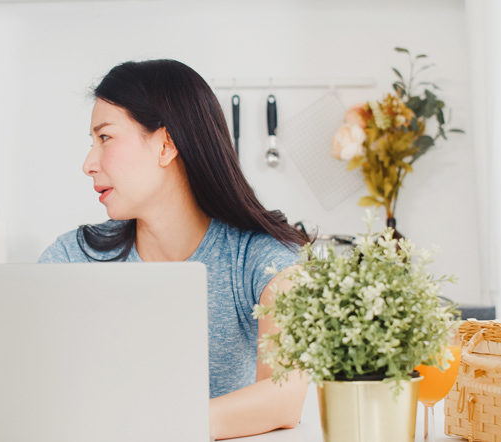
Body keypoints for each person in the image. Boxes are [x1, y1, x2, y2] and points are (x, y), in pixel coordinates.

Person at [39, 59, 311, 439]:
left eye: (105, 138)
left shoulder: (261, 259)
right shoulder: (71, 258)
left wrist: (150, 426)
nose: (89, 163)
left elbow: (284, 398)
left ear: (166, 145)